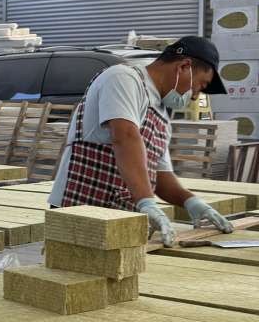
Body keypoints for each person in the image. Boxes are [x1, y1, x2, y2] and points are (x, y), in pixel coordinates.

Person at [49, 35, 234, 246]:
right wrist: (146, 202)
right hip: (81, 210)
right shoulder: (123, 79)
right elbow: (125, 137)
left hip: (121, 219)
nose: (194, 96)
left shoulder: (161, 115)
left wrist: (190, 201)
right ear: (184, 66)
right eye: (200, 85)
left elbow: (160, 174)